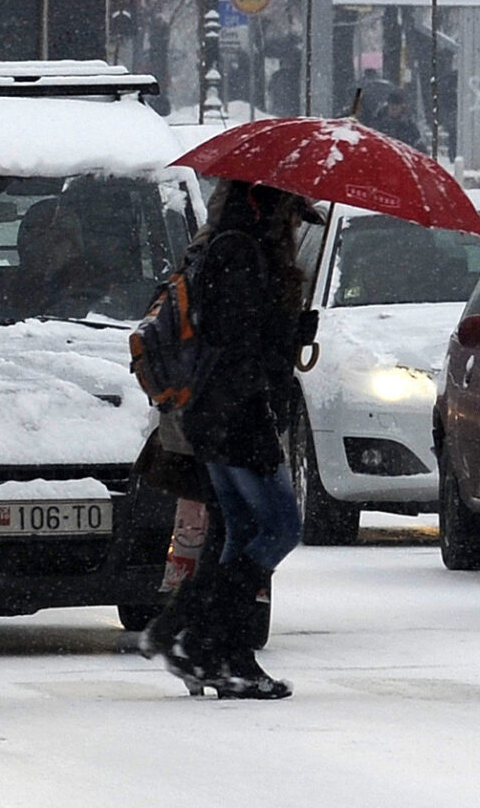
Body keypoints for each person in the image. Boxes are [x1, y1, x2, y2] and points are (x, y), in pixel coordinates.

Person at [144, 182, 315, 700]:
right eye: (292, 211)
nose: (295, 225)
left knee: (240, 530)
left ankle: (217, 649)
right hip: (236, 414)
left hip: (215, 414)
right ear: (269, 206)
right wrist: (286, 333)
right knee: (280, 527)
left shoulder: (227, 246)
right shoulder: (241, 253)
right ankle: (197, 637)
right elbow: (240, 346)